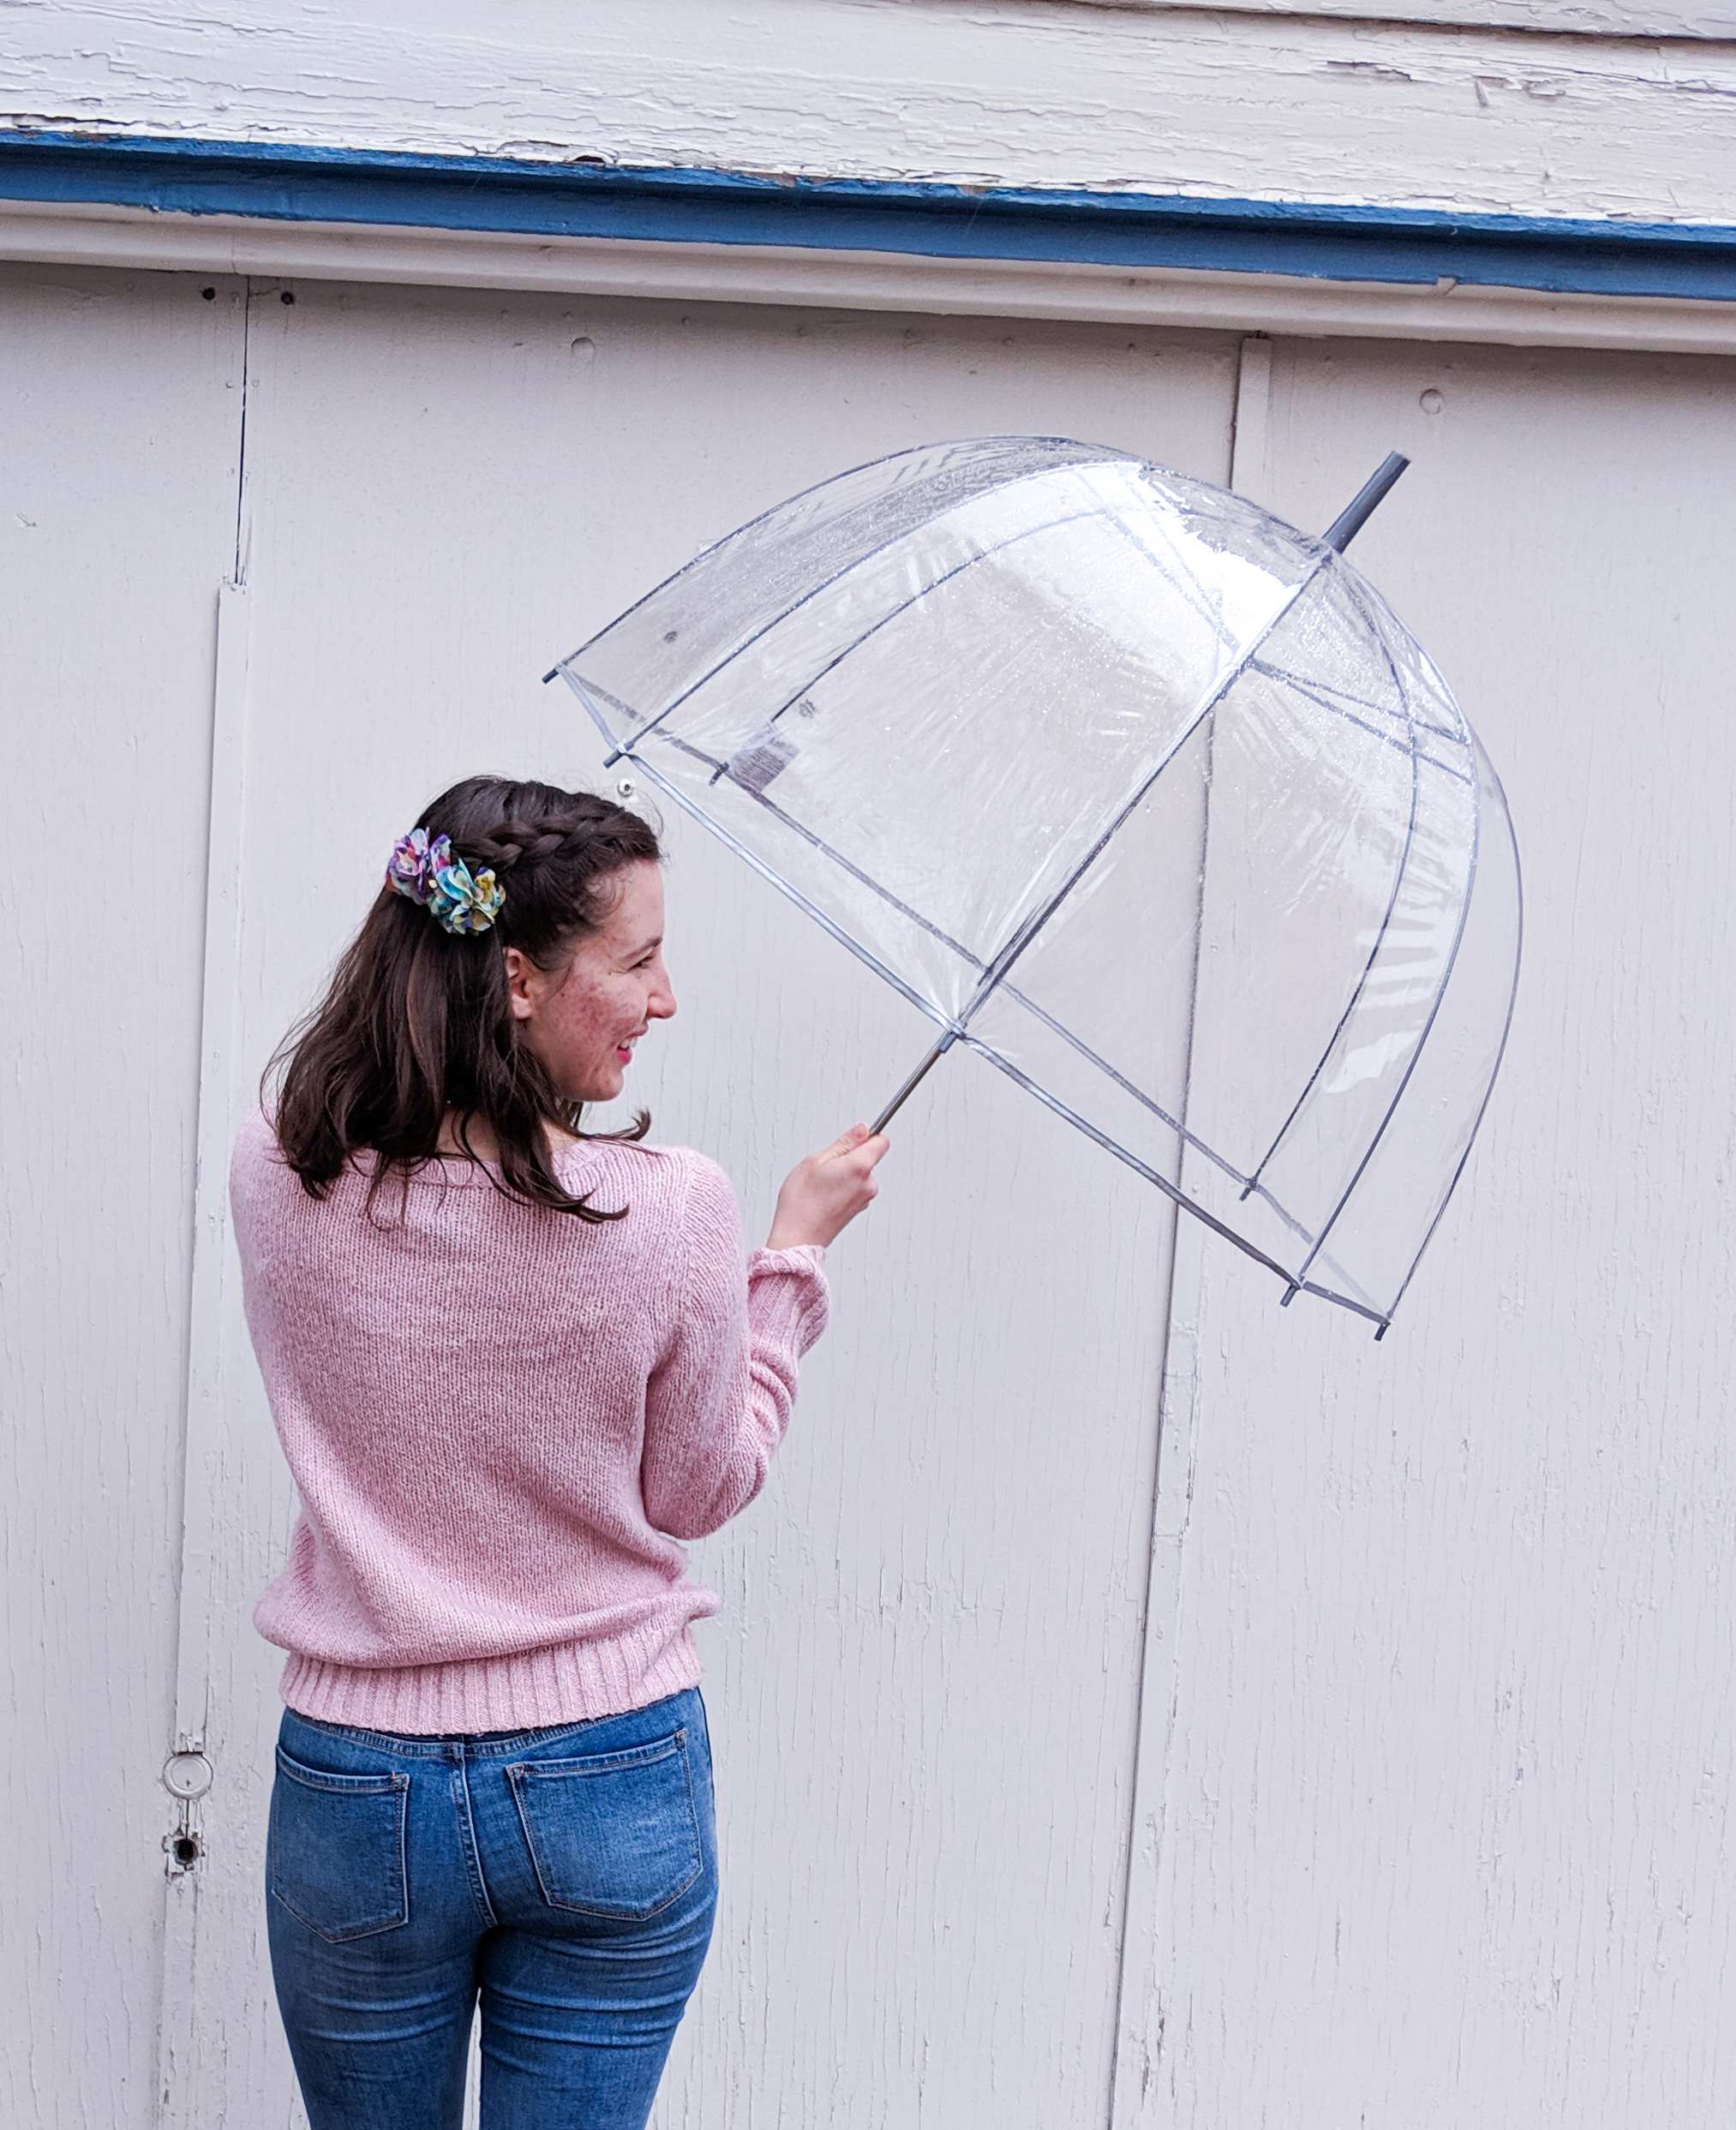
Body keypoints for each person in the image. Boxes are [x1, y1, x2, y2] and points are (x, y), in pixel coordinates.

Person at [230, 775, 888, 2130]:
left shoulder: (274, 1166)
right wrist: (790, 1263)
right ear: (516, 977)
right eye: (638, 959)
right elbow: (696, 1490)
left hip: (358, 1789)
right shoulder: (671, 1214)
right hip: (610, 1774)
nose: (666, 999)